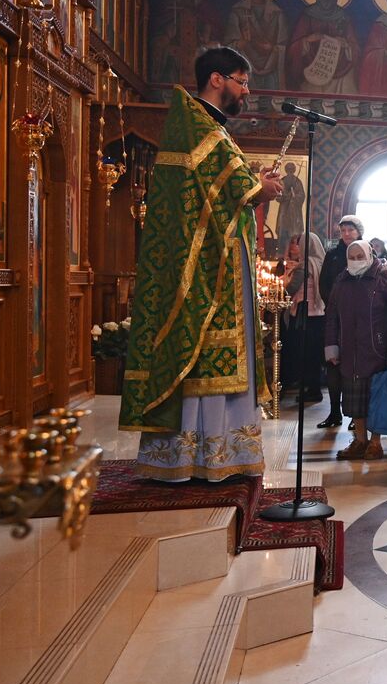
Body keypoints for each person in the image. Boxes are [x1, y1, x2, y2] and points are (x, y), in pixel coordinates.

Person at [121, 48, 283, 481]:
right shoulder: (196, 125)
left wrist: (255, 186)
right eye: (241, 81)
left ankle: (221, 453)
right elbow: (226, 187)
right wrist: (257, 188)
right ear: (217, 78)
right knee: (203, 357)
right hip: (206, 275)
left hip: (224, 264)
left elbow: (226, 187)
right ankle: (196, 457)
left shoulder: (207, 126)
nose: (246, 91)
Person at [325, 240, 387, 461]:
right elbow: (331, 315)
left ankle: (375, 442)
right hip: (350, 350)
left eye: (359, 256)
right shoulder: (342, 280)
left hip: (377, 349)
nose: (355, 261)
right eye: (351, 257)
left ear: (370, 254)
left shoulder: (385, 278)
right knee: (354, 399)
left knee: (376, 398)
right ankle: (360, 440)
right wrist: (332, 346)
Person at [317, 214, 361, 429]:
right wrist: (333, 304)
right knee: (333, 365)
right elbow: (323, 282)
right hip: (334, 316)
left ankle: (357, 415)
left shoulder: (365, 251)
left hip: (359, 319)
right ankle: (334, 412)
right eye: (342, 230)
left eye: (350, 230)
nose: (346, 234)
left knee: (356, 368)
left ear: (358, 231)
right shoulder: (333, 255)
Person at [287, 0, 360, 94]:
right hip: (312, 72)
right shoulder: (307, 15)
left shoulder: (343, 16)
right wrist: (308, 40)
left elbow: (356, 49)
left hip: (341, 77)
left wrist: (346, 45)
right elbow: (293, 48)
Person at [284, 231, 326, 404]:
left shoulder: (304, 265)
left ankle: (309, 389)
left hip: (304, 312)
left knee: (303, 352)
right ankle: (314, 387)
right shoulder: (321, 262)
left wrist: (285, 280)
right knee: (314, 353)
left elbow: (291, 289)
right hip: (319, 313)